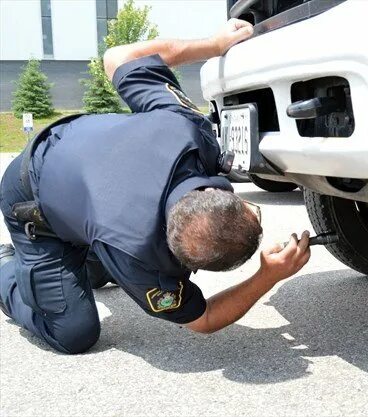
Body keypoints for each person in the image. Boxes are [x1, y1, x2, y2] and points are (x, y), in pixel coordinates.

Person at [0, 19, 311, 354]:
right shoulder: (136, 254)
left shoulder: (187, 129)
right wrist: (267, 276)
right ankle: (7, 268)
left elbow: (119, 56)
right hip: (33, 200)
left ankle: (85, 262)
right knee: (73, 333)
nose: (253, 208)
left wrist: (214, 44)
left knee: (95, 273)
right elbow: (202, 320)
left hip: (86, 195)